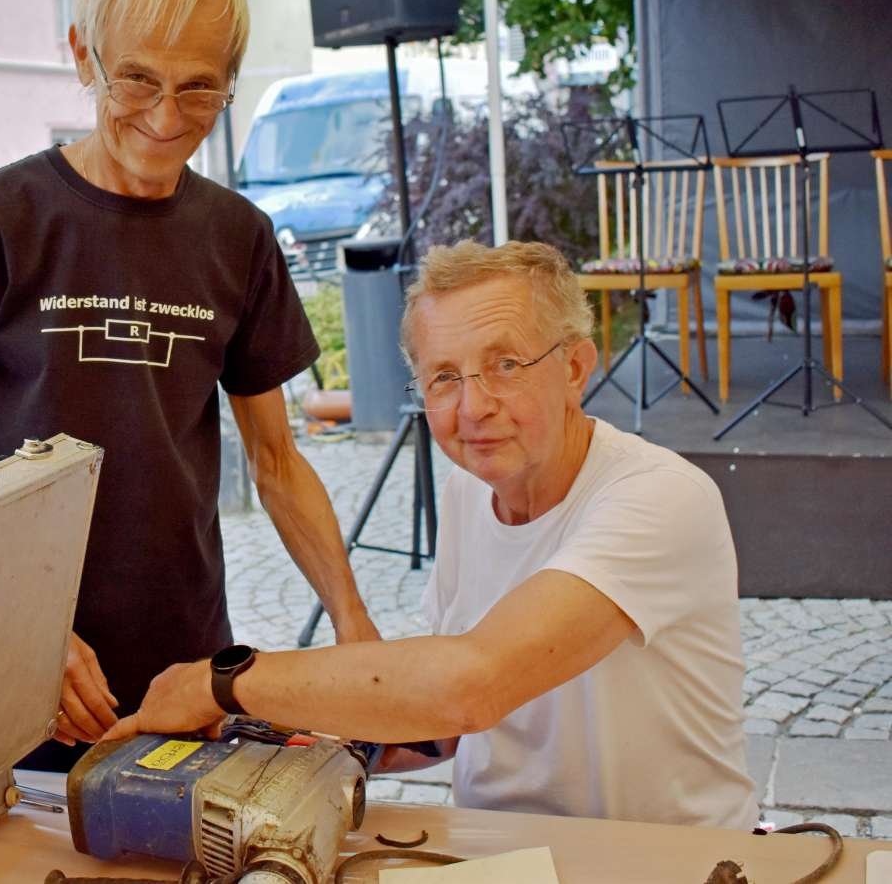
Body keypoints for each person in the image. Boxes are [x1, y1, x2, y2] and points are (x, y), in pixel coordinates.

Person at [0, 0, 378, 771]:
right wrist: (18, 616)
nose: (166, 120)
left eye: (199, 88)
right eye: (136, 80)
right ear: (82, 56)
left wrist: (354, 623)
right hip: (12, 666)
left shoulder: (239, 237)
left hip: (186, 675)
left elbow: (277, 462)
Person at [107, 240, 759, 830]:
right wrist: (263, 724)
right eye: (444, 377)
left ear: (575, 369)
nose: (473, 407)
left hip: (664, 860)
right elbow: (441, 733)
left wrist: (220, 683)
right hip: (502, 853)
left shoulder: (659, 496)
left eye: (506, 364)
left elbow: (470, 686)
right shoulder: (469, 490)